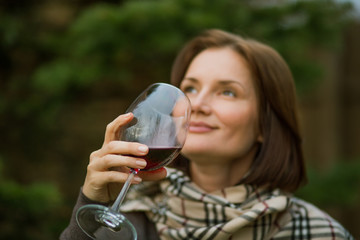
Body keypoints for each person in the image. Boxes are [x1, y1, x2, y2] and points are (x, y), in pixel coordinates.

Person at [60, 29, 354, 240]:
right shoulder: (131, 220)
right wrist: (89, 206)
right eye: (189, 88)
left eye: (227, 91)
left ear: (266, 124)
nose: (197, 104)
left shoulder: (317, 232)